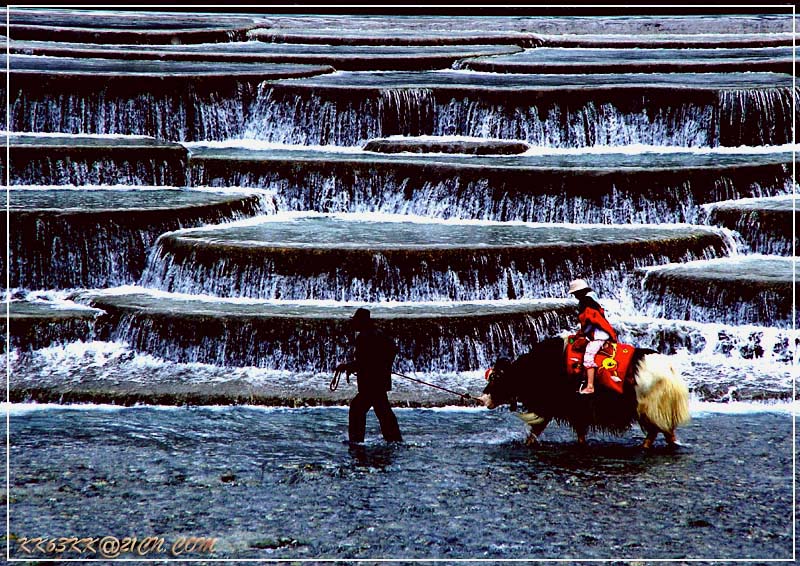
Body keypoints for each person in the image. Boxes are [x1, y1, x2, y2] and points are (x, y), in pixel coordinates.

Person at [334, 308, 403, 443]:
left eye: (356, 321)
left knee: (357, 409)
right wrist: (385, 366)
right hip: (380, 381)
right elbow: (392, 350)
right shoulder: (381, 335)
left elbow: (363, 362)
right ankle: (394, 440)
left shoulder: (364, 338)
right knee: (383, 411)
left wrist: (346, 367)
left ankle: (356, 441)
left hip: (370, 384)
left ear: (362, 322)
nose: (354, 324)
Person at [568, 279, 618, 395]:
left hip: (598, 335)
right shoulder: (592, 298)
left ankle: (590, 386)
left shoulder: (586, 302)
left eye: (575, 294)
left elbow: (590, 322)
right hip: (601, 332)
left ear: (580, 292)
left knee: (588, 357)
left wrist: (585, 336)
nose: (575, 296)